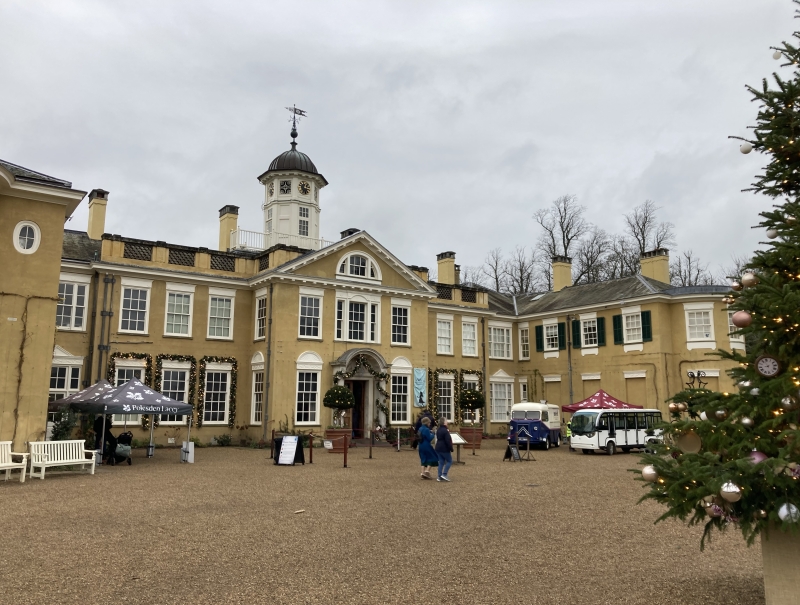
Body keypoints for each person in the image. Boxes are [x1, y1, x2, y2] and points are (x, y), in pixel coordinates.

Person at [435, 417, 454, 482]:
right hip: (444, 448)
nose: (447, 422)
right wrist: (451, 448)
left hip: (438, 447)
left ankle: (439, 476)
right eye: (446, 421)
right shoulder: (445, 430)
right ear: (444, 422)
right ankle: (444, 474)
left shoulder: (438, 429)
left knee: (441, 462)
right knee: (449, 461)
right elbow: (447, 440)